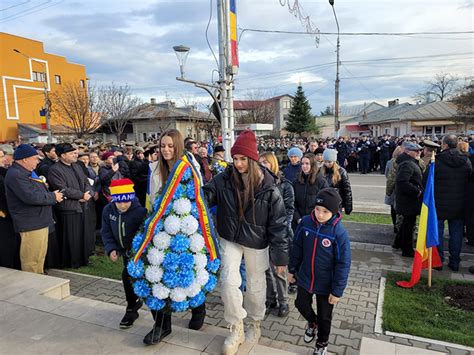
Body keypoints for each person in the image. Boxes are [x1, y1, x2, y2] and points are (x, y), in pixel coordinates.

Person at [204, 130, 288, 355]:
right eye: (235, 158)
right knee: (228, 282)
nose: (238, 163)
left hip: (257, 241)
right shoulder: (223, 179)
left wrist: (280, 258)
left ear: (251, 159)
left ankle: (255, 323)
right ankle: (236, 327)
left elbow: (279, 224)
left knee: (255, 285)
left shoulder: (269, 187)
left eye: (243, 159)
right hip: (230, 237)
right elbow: (206, 195)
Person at [143, 129, 207, 345]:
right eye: (163, 146)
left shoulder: (189, 167)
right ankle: (162, 325)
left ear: (178, 146)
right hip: (160, 231)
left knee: (189, 271)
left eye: (170, 146)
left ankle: (198, 308)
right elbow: (152, 200)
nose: (166, 150)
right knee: (157, 273)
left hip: (186, 229)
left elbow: (197, 199)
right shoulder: (154, 170)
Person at [289, 188, 351, 355]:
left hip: (326, 284)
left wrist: (337, 291)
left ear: (334, 211)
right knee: (300, 304)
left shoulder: (339, 233)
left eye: (325, 211)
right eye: (317, 209)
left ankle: (322, 343)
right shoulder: (306, 223)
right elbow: (297, 247)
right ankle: (312, 322)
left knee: (325, 316)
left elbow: (343, 264)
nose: (320, 215)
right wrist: (292, 269)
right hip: (305, 277)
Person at [4, 144, 63, 273]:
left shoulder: (25, 172)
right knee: (31, 260)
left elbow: (37, 191)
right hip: (31, 223)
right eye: (35, 158)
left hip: (39, 221)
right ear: (25, 159)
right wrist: (53, 197)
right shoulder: (16, 174)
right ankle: (32, 287)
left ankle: (39, 281)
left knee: (39, 257)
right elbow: (31, 197)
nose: (37, 161)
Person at [101, 178, 147, 328]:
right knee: (127, 278)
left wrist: (138, 251)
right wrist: (111, 248)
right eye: (119, 202)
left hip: (140, 254)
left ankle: (158, 316)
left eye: (126, 201)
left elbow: (144, 233)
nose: (122, 205)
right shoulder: (108, 211)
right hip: (125, 254)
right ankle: (131, 308)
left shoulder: (140, 212)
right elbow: (106, 232)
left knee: (145, 280)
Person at [259, 152, 294, 318]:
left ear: (272, 164)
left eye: (265, 162)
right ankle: (270, 298)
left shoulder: (285, 185)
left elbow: (289, 210)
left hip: (278, 233)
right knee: (265, 269)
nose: (262, 165)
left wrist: (282, 228)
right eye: (260, 162)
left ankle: (284, 301)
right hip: (261, 233)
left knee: (279, 270)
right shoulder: (257, 184)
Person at [48, 143, 94, 268]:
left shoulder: (77, 166)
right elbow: (62, 188)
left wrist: (88, 193)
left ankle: (83, 258)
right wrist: (81, 195)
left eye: (75, 152)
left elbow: (86, 181)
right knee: (71, 237)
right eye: (72, 153)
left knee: (83, 235)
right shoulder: (55, 170)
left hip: (83, 206)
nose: (75, 155)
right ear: (62, 155)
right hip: (68, 208)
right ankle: (71, 262)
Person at [433, 135, 472, 271]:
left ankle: (438, 260)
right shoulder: (466, 161)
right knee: (456, 234)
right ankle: (454, 261)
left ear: (445, 145)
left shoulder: (437, 161)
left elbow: (428, 181)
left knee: (438, 232)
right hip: (459, 204)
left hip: (439, 204)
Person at [395, 142, 424, 257]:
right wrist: (417, 191)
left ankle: (397, 243)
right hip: (409, 200)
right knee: (408, 225)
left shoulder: (410, 161)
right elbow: (402, 182)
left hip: (410, 200)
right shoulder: (407, 163)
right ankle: (407, 250)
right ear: (407, 151)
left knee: (407, 223)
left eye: (420, 151)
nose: (419, 153)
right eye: (416, 151)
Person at [292, 153, 329, 230]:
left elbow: (324, 203)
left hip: (315, 221)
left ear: (312, 165)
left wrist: (313, 218)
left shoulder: (321, 181)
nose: (304, 166)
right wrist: (298, 218)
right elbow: (292, 203)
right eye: (302, 163)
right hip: (298, 222)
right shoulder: (296, 182)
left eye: (307, 164)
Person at [0, 148, 21, 269]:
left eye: (3, 156)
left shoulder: (5, 172)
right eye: (1, 157)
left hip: (10, 214)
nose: (4, 159)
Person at [320, 149, 352, 215]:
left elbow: (347, 190)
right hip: (323, 202)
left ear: (334, 161)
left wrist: (348, 206)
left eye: (329, 162)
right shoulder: (320, 171)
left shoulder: (341, 171)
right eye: (325, 162)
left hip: (336, 202)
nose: (327, 164)